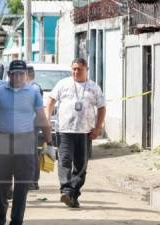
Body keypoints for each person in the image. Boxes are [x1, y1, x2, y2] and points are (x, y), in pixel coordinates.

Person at [0, 60, 53, 225]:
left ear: (26, 75)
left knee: (22, 184)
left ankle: (16, 220)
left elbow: (42, 118)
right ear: (9, 75)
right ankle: (2, 205)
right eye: (15, 74)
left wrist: (50, 143)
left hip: (25, 141)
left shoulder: (33, 92)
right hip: (2, 141)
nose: (18, 77)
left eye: (22, 74)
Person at [45, 58, 106, 208]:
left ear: (86, 69)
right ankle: (66, 190)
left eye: (79, 69)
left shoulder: (93, 87)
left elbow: (102, 108)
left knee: (81, 165)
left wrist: (97, 128)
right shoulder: (63, 84)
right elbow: (51, 101)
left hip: (85, 132)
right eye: (74, 69)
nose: (76, 72)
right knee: (65, 160)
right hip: (65, 130)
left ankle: (73, 194)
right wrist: (47, 120)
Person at [26, 65, 43, 191]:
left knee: (31, 153)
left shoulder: (34, 88)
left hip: (31, 125)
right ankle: (32, 181)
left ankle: (32, 181)